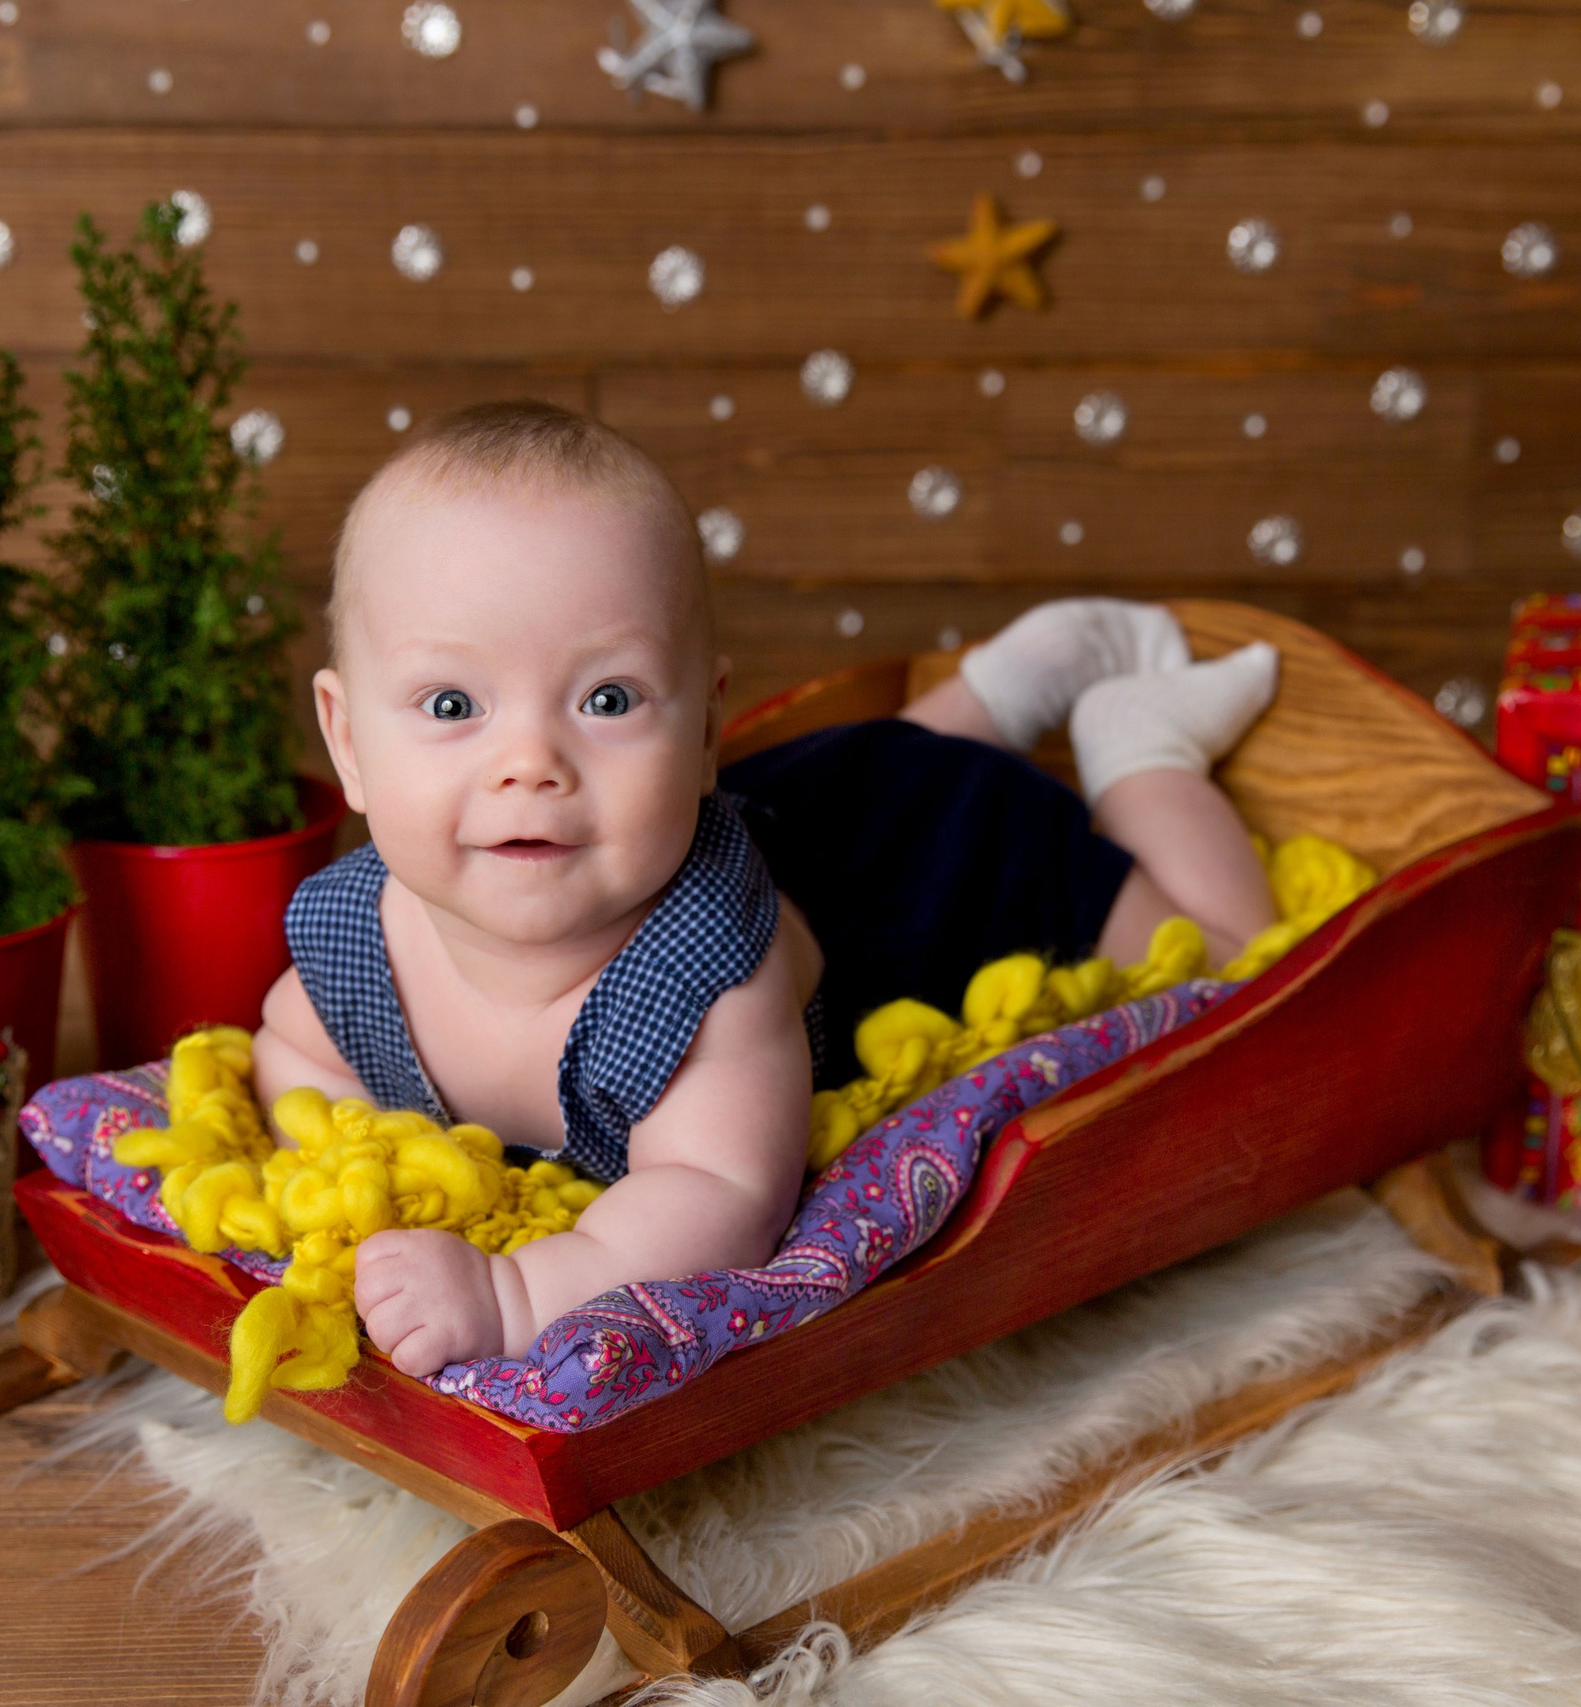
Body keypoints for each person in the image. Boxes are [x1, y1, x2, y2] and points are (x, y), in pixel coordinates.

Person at [251, 401, 1278, 1376]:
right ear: (348, 741)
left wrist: (513, 1293)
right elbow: (290, 1053)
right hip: (799, 810)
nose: (530, 762)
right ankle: (1007, 685)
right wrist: (368, 1176)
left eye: (606, 699)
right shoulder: (361, 937)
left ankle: (1140, 744)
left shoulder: (702, 981)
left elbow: (722, 1197)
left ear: (703, 728)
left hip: (939, 858)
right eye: (451, 702)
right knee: (840, 778)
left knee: (1229, 961)